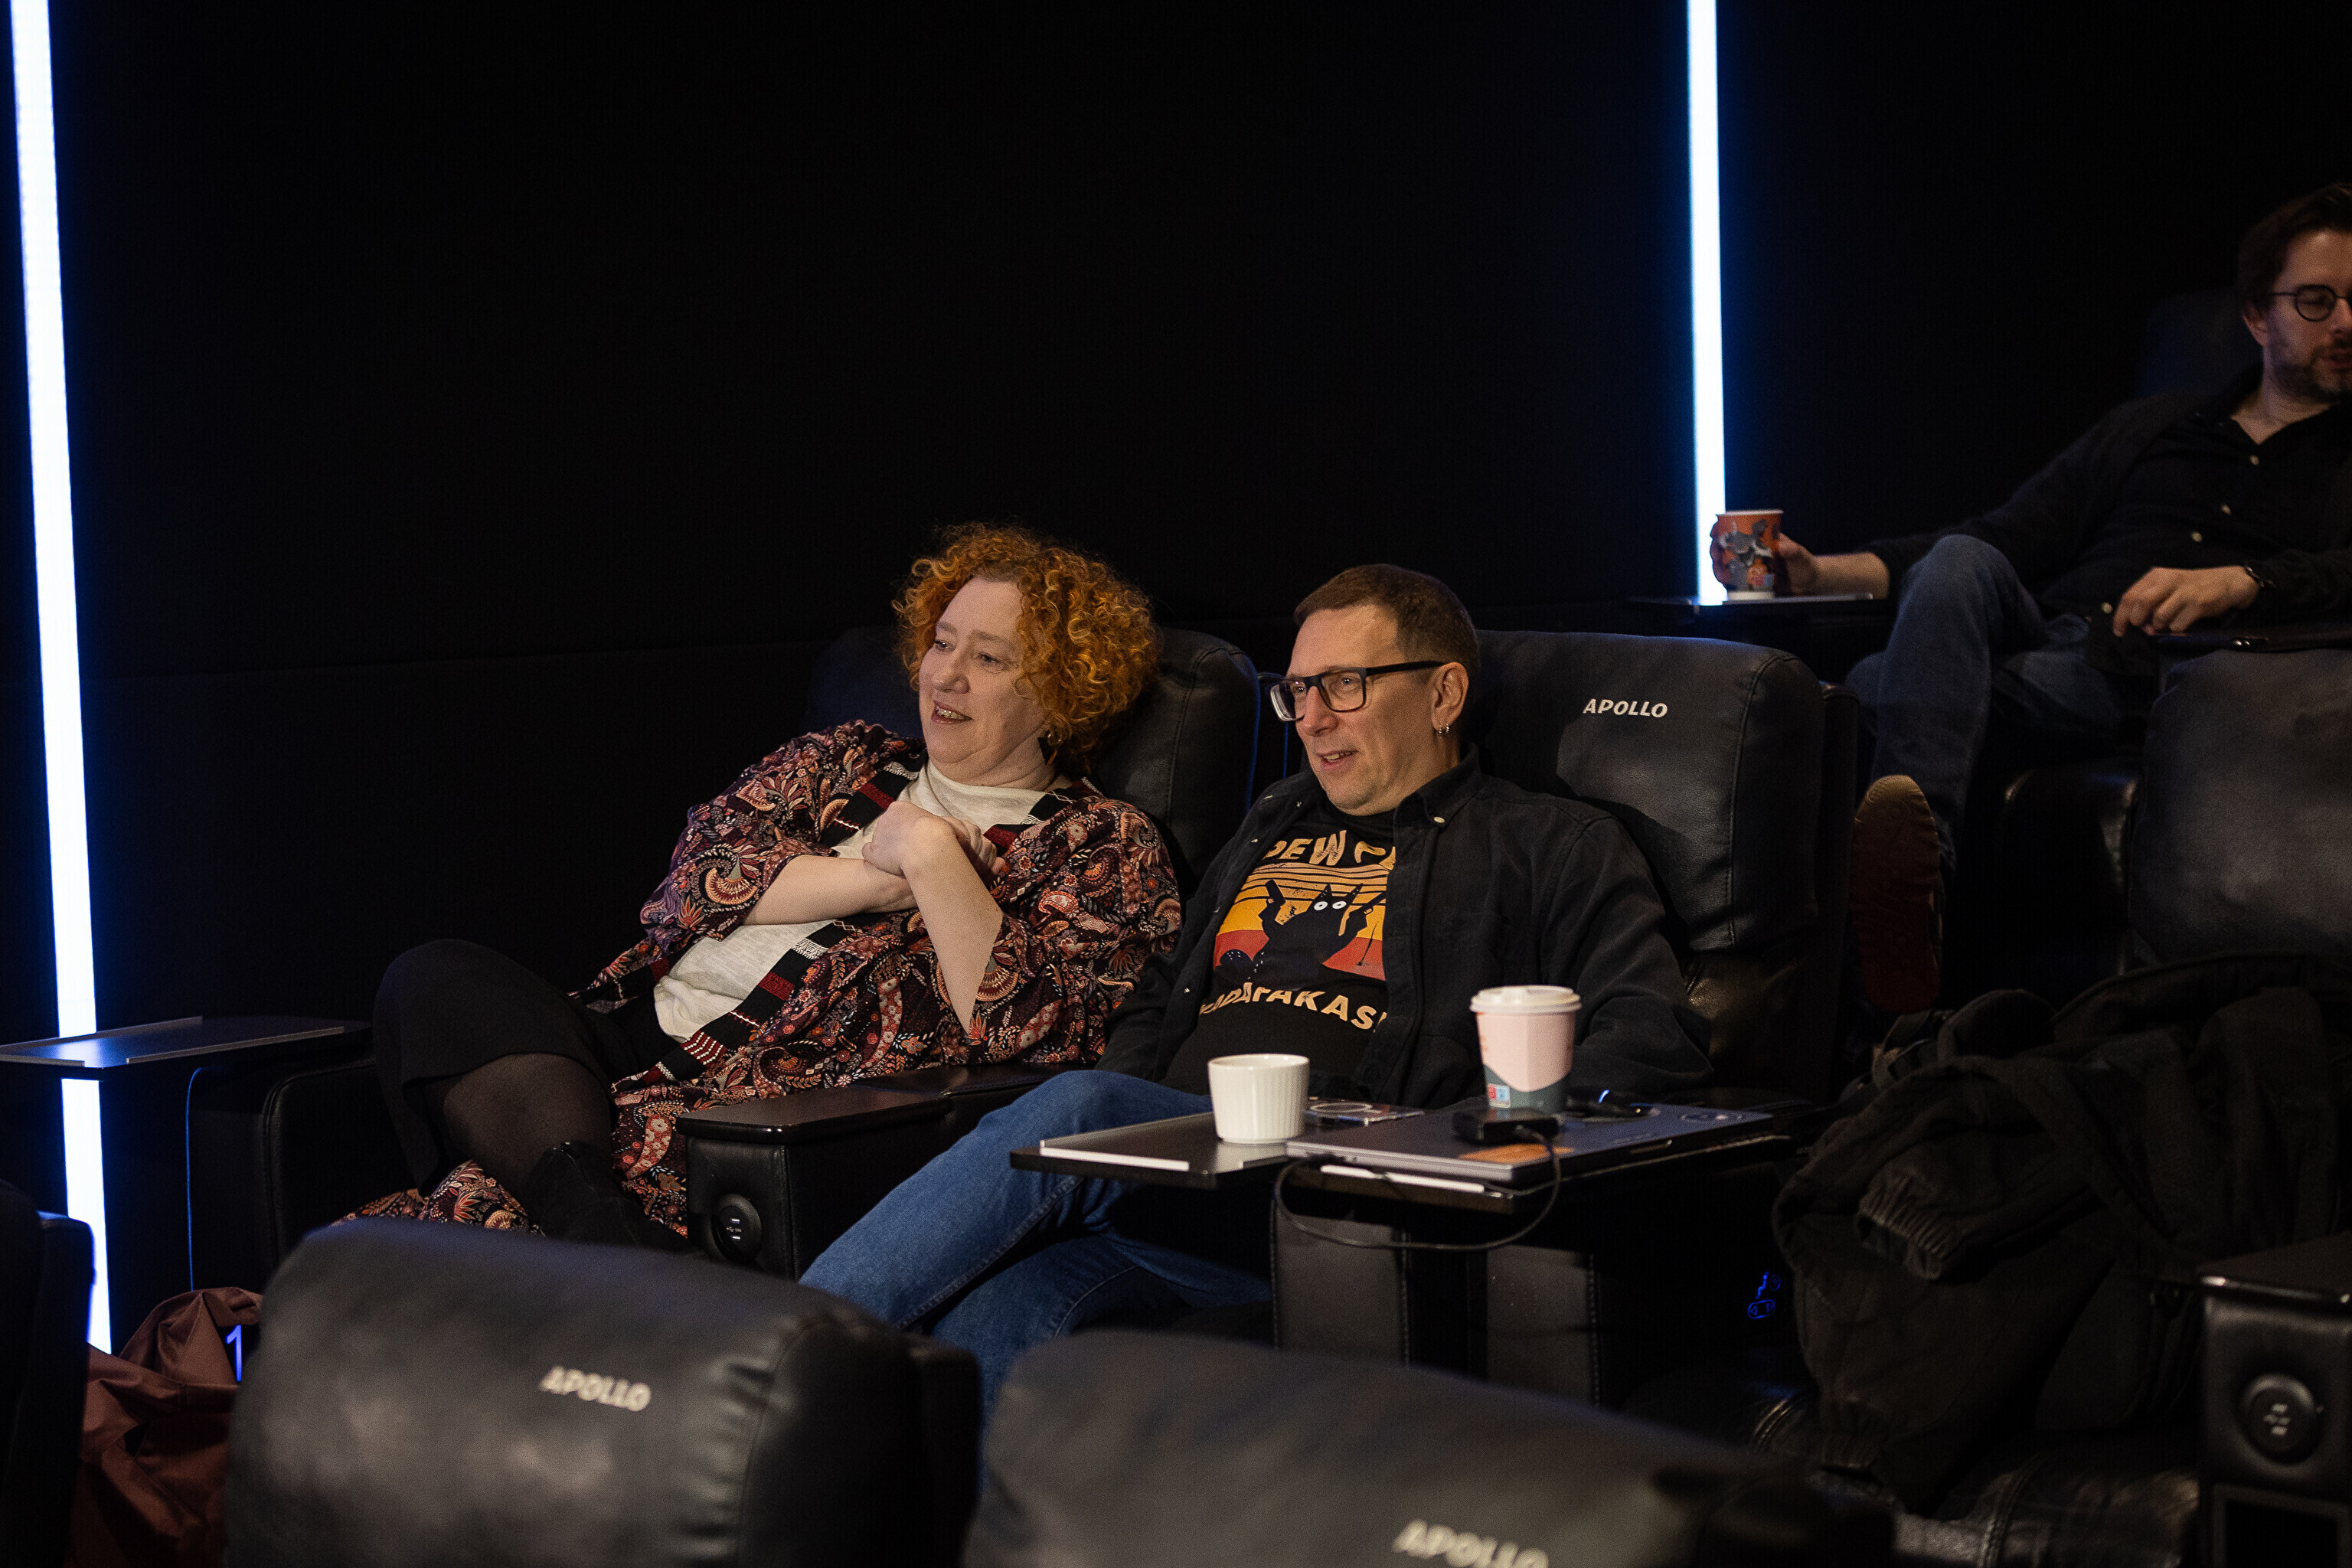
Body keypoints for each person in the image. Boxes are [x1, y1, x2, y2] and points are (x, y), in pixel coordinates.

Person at [800, 564, 1711, 1410]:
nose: (1311, 718)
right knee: (996, 1314)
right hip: (1179, 1181)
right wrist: (1137, 1126)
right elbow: (1161, 997)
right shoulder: (1274, 822)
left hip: (1330, 1192)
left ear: (1443, 694)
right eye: (1298, 691)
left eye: (1344, 686)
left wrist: (1449, 1141)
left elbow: (1650, 1033)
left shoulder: (1548, 843)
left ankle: (776, 1358)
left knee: (1078, 1104)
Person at [360, 525, 1183, 1246]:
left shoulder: (1100, 841)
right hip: (624, 1041)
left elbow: (1034, 1040)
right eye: (943, 643)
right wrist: (878, 879)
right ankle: (594, 1216)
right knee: (431, 977)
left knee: (429, 1246)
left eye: (989, 658)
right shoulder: (845, 758)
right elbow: (691, 886)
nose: (946, 675)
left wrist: (933, 855)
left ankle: (578, 1204)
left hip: (753, 1096)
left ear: (1060, 697)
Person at [1778, 181, 2352, 1010]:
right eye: (2318, 300)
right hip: (2044, 640)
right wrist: (1817, 574)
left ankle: (1896, 907)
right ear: (2259, 316)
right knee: (1962, 560)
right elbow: (2007, 533)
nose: (2346, 323)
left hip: (2152, 675)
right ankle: (1913, 889)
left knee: (1864, 690)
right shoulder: (2153, 426)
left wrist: (2246, 580)